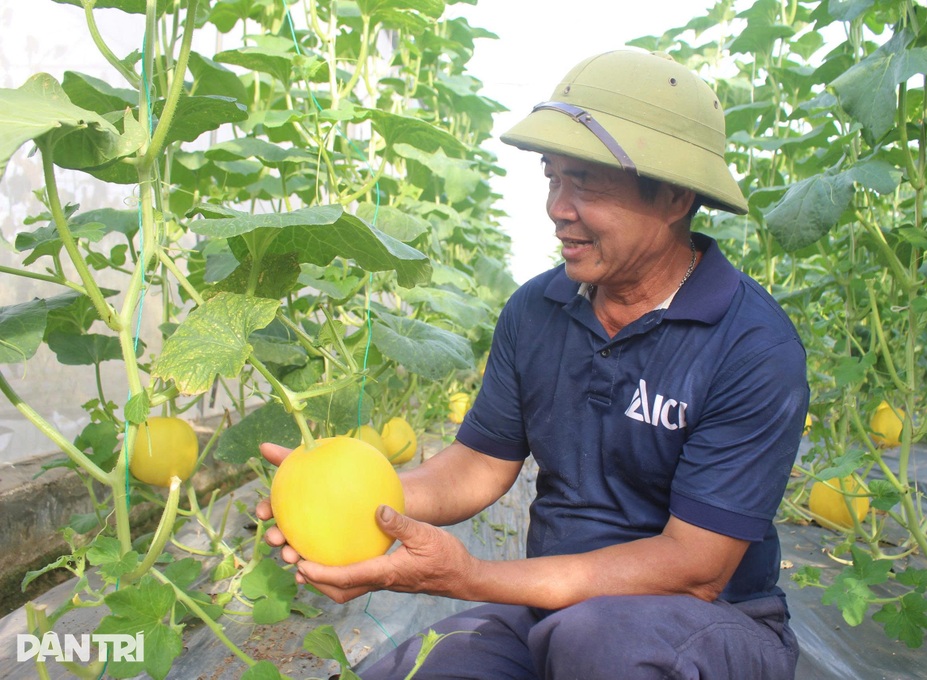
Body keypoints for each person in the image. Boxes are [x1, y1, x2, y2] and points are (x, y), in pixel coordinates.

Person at [257, 49, 808, 679]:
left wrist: (473, 578)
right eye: (553, 177)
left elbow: (696, 569)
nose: (557, 207)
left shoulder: (752, 346)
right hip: (549, 605)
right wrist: (348, 498)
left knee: (597, 644)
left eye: (587, 184)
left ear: (677, 195)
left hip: (713, 625)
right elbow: (479, 465)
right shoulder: (537, 310)